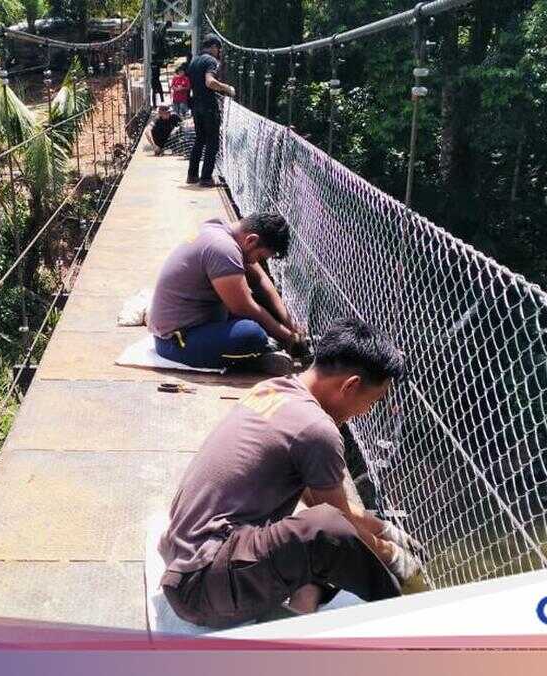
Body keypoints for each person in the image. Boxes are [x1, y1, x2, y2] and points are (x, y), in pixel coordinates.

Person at [158, 318, 424, 629]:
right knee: (328, 534)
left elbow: (317, 499)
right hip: (202, 587)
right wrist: (392, 555)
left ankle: (301, 608)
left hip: (188, 559)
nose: (366, 411)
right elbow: (336, 522)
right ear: (350, 386)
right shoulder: (317, 430)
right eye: (373, 401)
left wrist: (382, 527)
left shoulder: (272, 389)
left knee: (320, 536)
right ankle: (407, 617)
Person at [147, 212, 301, 373]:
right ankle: (253, 361)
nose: (256, 262)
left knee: (266, 307)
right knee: (252, 336)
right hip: (177, 341)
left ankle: (254, 353)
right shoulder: (223, 248)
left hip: (198, 324)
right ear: (251, 240)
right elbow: (244, 308)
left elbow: (261, 281)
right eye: (260, 256)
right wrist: (287, 337)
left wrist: (289, 324)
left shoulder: (220, 229)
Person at [186, 36, 236, 187]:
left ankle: (192, 175)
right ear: (214, 46)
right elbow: (210, 82)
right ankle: (206, 178)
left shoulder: (194, 61)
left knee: (199, 139)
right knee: (212, 142)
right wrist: (227, 89)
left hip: (196, 105)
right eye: (218, 49)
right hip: (208, 106)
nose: (219, 52)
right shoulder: (211, 61)